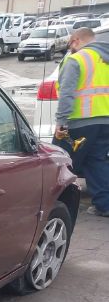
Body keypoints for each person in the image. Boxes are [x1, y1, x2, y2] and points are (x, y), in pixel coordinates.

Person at [55, 27, 109, 217]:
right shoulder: (105, 59)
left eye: (71, 43)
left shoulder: (76, 59)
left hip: (80, 122)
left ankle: (55, 202)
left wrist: (61, 122)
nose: (71, 47)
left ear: (76, 40)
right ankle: (104, 206)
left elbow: (67, 94)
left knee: (61, 161)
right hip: (105, 122)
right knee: (97, 161)